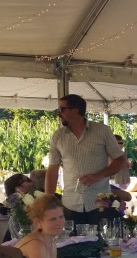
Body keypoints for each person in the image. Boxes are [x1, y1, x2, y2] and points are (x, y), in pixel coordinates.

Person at [45, 94, 127, 225]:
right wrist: (48, 200)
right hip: (70, 203)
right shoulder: (58, 136)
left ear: (75, 110)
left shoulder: (102, 131)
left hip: (100, 203)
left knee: (103, 244)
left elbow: (121, 160)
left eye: (61, 109)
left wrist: (98, 175)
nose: (59, 114)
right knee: (72, 243)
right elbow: (52, 169)